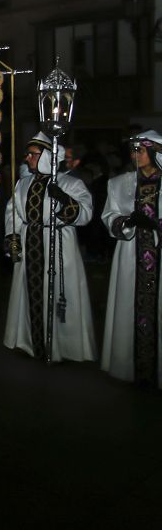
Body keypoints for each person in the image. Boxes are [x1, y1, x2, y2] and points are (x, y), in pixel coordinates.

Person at [4, 132, 96, 362]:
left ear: (47, 156)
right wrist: (12, 236)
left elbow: (85, 214)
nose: (27, 158)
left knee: (57, 294)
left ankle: (62, 346)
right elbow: (12, 212)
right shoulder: (23, 183)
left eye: (32, 155)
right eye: (27, 154)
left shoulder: (71, 183)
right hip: (29, 243)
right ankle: (30, 341)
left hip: (57, 244)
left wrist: (64, 199)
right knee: (29, 291)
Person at [101, 130, 162, 386]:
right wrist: (126, 221)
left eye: (140, 150)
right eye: (133, 150)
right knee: (129, 304)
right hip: (129, 256)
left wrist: (155, 224)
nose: (134, 155)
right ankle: (129, 366)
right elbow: (109, 215)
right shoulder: (119, 183)